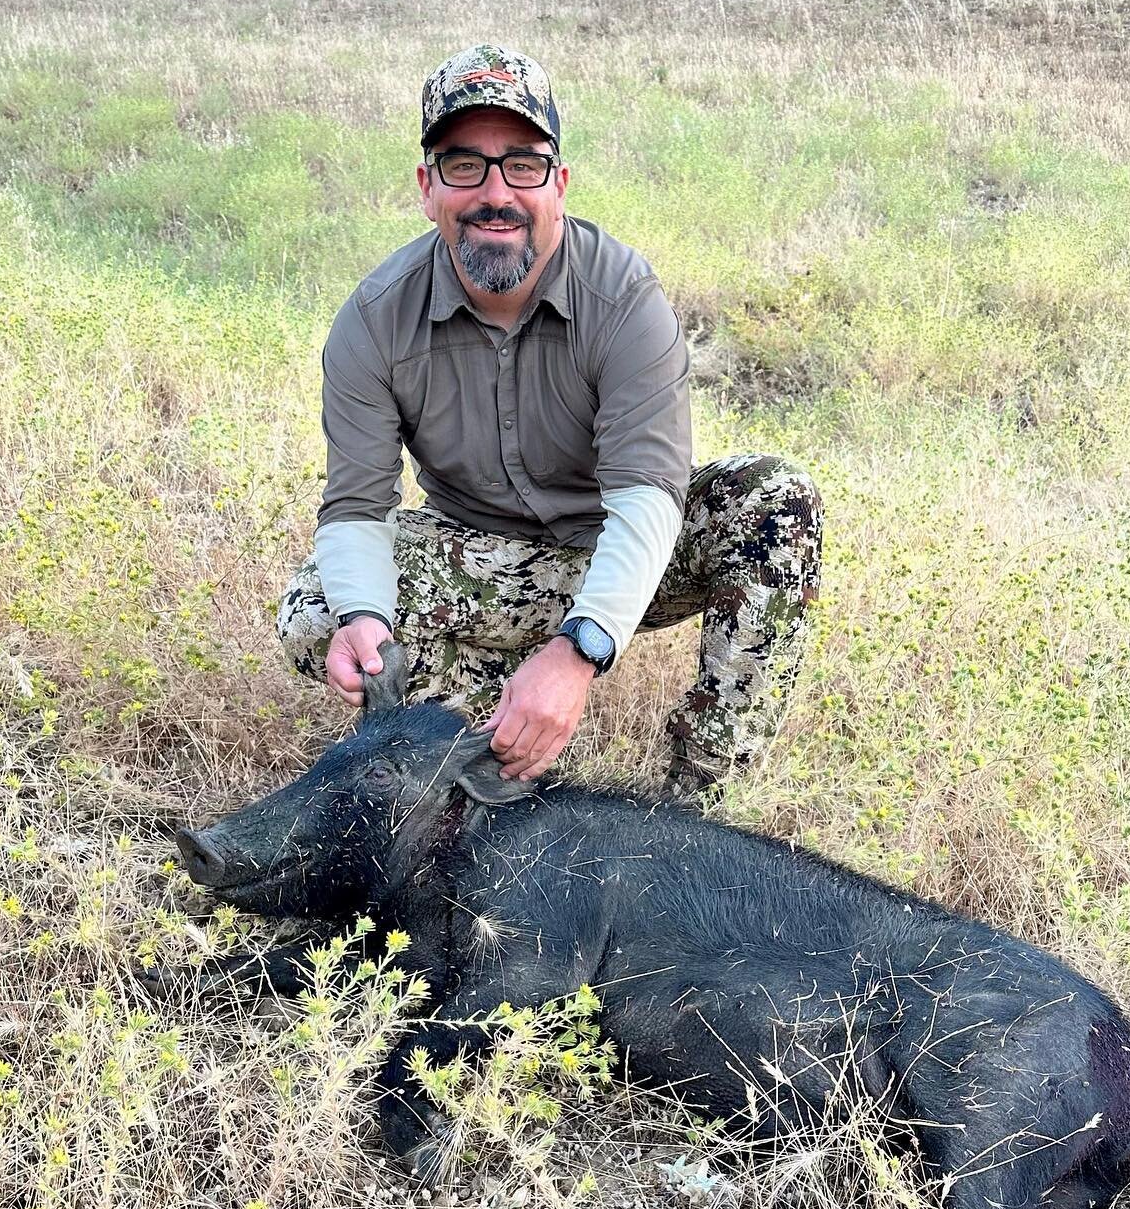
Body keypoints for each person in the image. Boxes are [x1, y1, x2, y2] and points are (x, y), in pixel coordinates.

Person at [277, 42, 822, 796]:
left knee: (774, 502)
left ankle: (701, 798)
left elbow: (647, 498)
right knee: (316, 612)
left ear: (558, 184)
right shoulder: (373, 322)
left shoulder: (624, 298)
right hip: (485, 560)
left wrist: (580, 649)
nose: (495, 192)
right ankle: (474, 761)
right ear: (426, 187)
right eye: (464, 165)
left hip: (620, 555)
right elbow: (356, 507)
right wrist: (366, 619)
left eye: (523, 165)